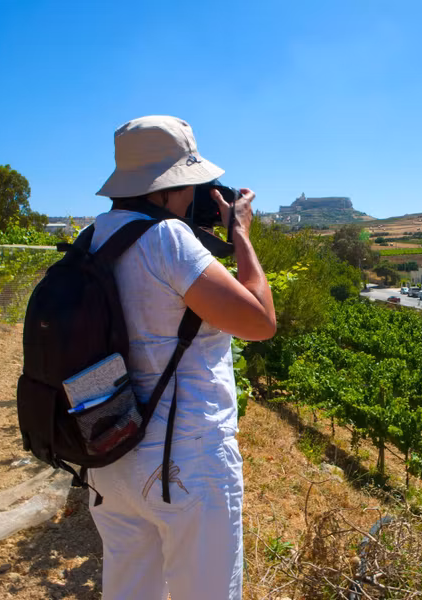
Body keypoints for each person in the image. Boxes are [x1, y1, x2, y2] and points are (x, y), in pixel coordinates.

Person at [87, 115, 276, 599]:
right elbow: (259, 322)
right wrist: (241, 237)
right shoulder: (168, 240)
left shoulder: (92, 241)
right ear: (170, 188)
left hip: (110, 451)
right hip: (184, 460)